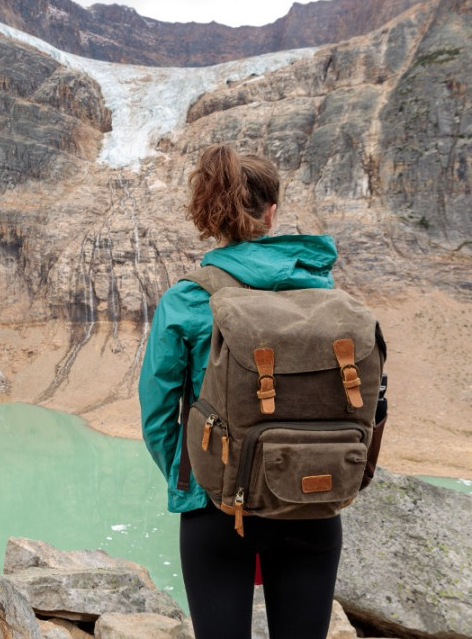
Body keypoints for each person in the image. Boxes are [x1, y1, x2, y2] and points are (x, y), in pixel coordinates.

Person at [139, 144, 342, 638]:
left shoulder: (188, 296)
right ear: (272, 213)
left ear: (211, 215)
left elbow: (159, 415)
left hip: (218, 507)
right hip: (311, 498)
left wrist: (199, 481)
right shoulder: (324, 291)